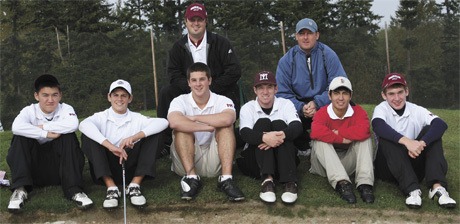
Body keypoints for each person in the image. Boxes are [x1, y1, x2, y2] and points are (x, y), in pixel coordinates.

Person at [157, 2, 242, 157]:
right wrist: (193, 88)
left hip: (216, 88)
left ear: (205, 21)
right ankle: (165, 142)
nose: (196, 23)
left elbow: (234, 70)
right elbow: (173, 74)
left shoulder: (221, 42)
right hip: (189, 88)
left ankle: (228, 136)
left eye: (199, 19)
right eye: (192, 19)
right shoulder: (177, 47)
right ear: (186, 21)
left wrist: (211, 87)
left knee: (233, 91)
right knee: (166, 92)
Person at [6, 74, 93, 212]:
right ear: (36, 96)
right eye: (45, 95)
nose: (50, 100)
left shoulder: (66, 109)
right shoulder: (29, 111)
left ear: (60, 96)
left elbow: (73, 125)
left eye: (54, 95)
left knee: (68, 136)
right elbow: (16, 127)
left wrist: (43, 126)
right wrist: (44, 133)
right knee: (20, 137)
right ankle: (20, 189)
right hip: (34, 171)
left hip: (59, 170)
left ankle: (74, 190)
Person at [79, 79, 168, 209]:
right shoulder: (100, 116)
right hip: (108, 167)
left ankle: (134, 185)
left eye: (123, 95)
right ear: (109, 97)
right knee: (88, 137)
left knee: (156, 134)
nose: (119, 99)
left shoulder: (137, 118)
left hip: (131, 165)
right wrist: (111, 146)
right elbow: (83, 125)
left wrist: (134, 137)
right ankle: (112, 188)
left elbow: (163, 122)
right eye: (115, 95)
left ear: (130, 98)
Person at [372, 73, 456, 209]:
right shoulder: (381, 109)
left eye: (400, 92)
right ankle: (412, 190)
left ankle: (437, 188)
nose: (397, 98)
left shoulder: (415, 109)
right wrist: (407, 141)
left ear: (407, 91)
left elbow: (441, 124)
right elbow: (378, 126)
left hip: (412, 163)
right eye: (391, 94)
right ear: (384, 95)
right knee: (386, 138)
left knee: (432, 132)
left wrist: (421, 143)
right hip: (388, 168)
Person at [167, 62, 244, 201]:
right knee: (181, 130)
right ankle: (191, 179)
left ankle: (226, 179)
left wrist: (195, 118)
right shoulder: (179, 101)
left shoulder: (222, 100)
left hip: (213, 160)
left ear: (209, 80)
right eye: (194, 80)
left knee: (226, 128)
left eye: (202, 79)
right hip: (185, 162)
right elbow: (174, 122)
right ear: (188, 83)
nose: (198, 84)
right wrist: (207, 126)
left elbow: (228, 119)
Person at [276, 18, 347, 154]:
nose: (306, 37)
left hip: (324, 102)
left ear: (317, 35)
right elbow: (282, 93)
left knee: (349, 106)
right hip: (299, 105)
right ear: (296, 36)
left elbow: (339, 85)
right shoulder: (286, 60)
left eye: (309, 33)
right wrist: (301, 107)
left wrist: (317, 103)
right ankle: (302, 145)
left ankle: (340, 142)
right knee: (279, 113)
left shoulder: (328, 54)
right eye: (302, 33)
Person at [237, 71, 302, 204]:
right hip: (257, 162)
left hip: (283, 160)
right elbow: (244, 133)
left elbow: (297, 127)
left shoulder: (286, 103)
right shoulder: (248, 107)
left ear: (276, 89)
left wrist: (279, 136)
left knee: (279, 124)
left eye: (269, 87)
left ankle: (290, 182)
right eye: (261, 87)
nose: (265, 92)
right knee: (263, 123)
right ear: (255, 90)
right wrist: (265, 137)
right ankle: (267, 180)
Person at [309, 77, 374, 204]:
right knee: (320, 140)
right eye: (336, 93)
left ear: (350, 96)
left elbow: (364, 130)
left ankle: (365, 183)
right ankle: (342, 183)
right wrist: (342, 139)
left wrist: (338, 133)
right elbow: (316, 132)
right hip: (323, 165)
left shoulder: (358, 112)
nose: (340, 98)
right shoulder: (322, 113)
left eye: (345, 93)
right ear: (329, 95)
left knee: (365, 139)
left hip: (347, 162)